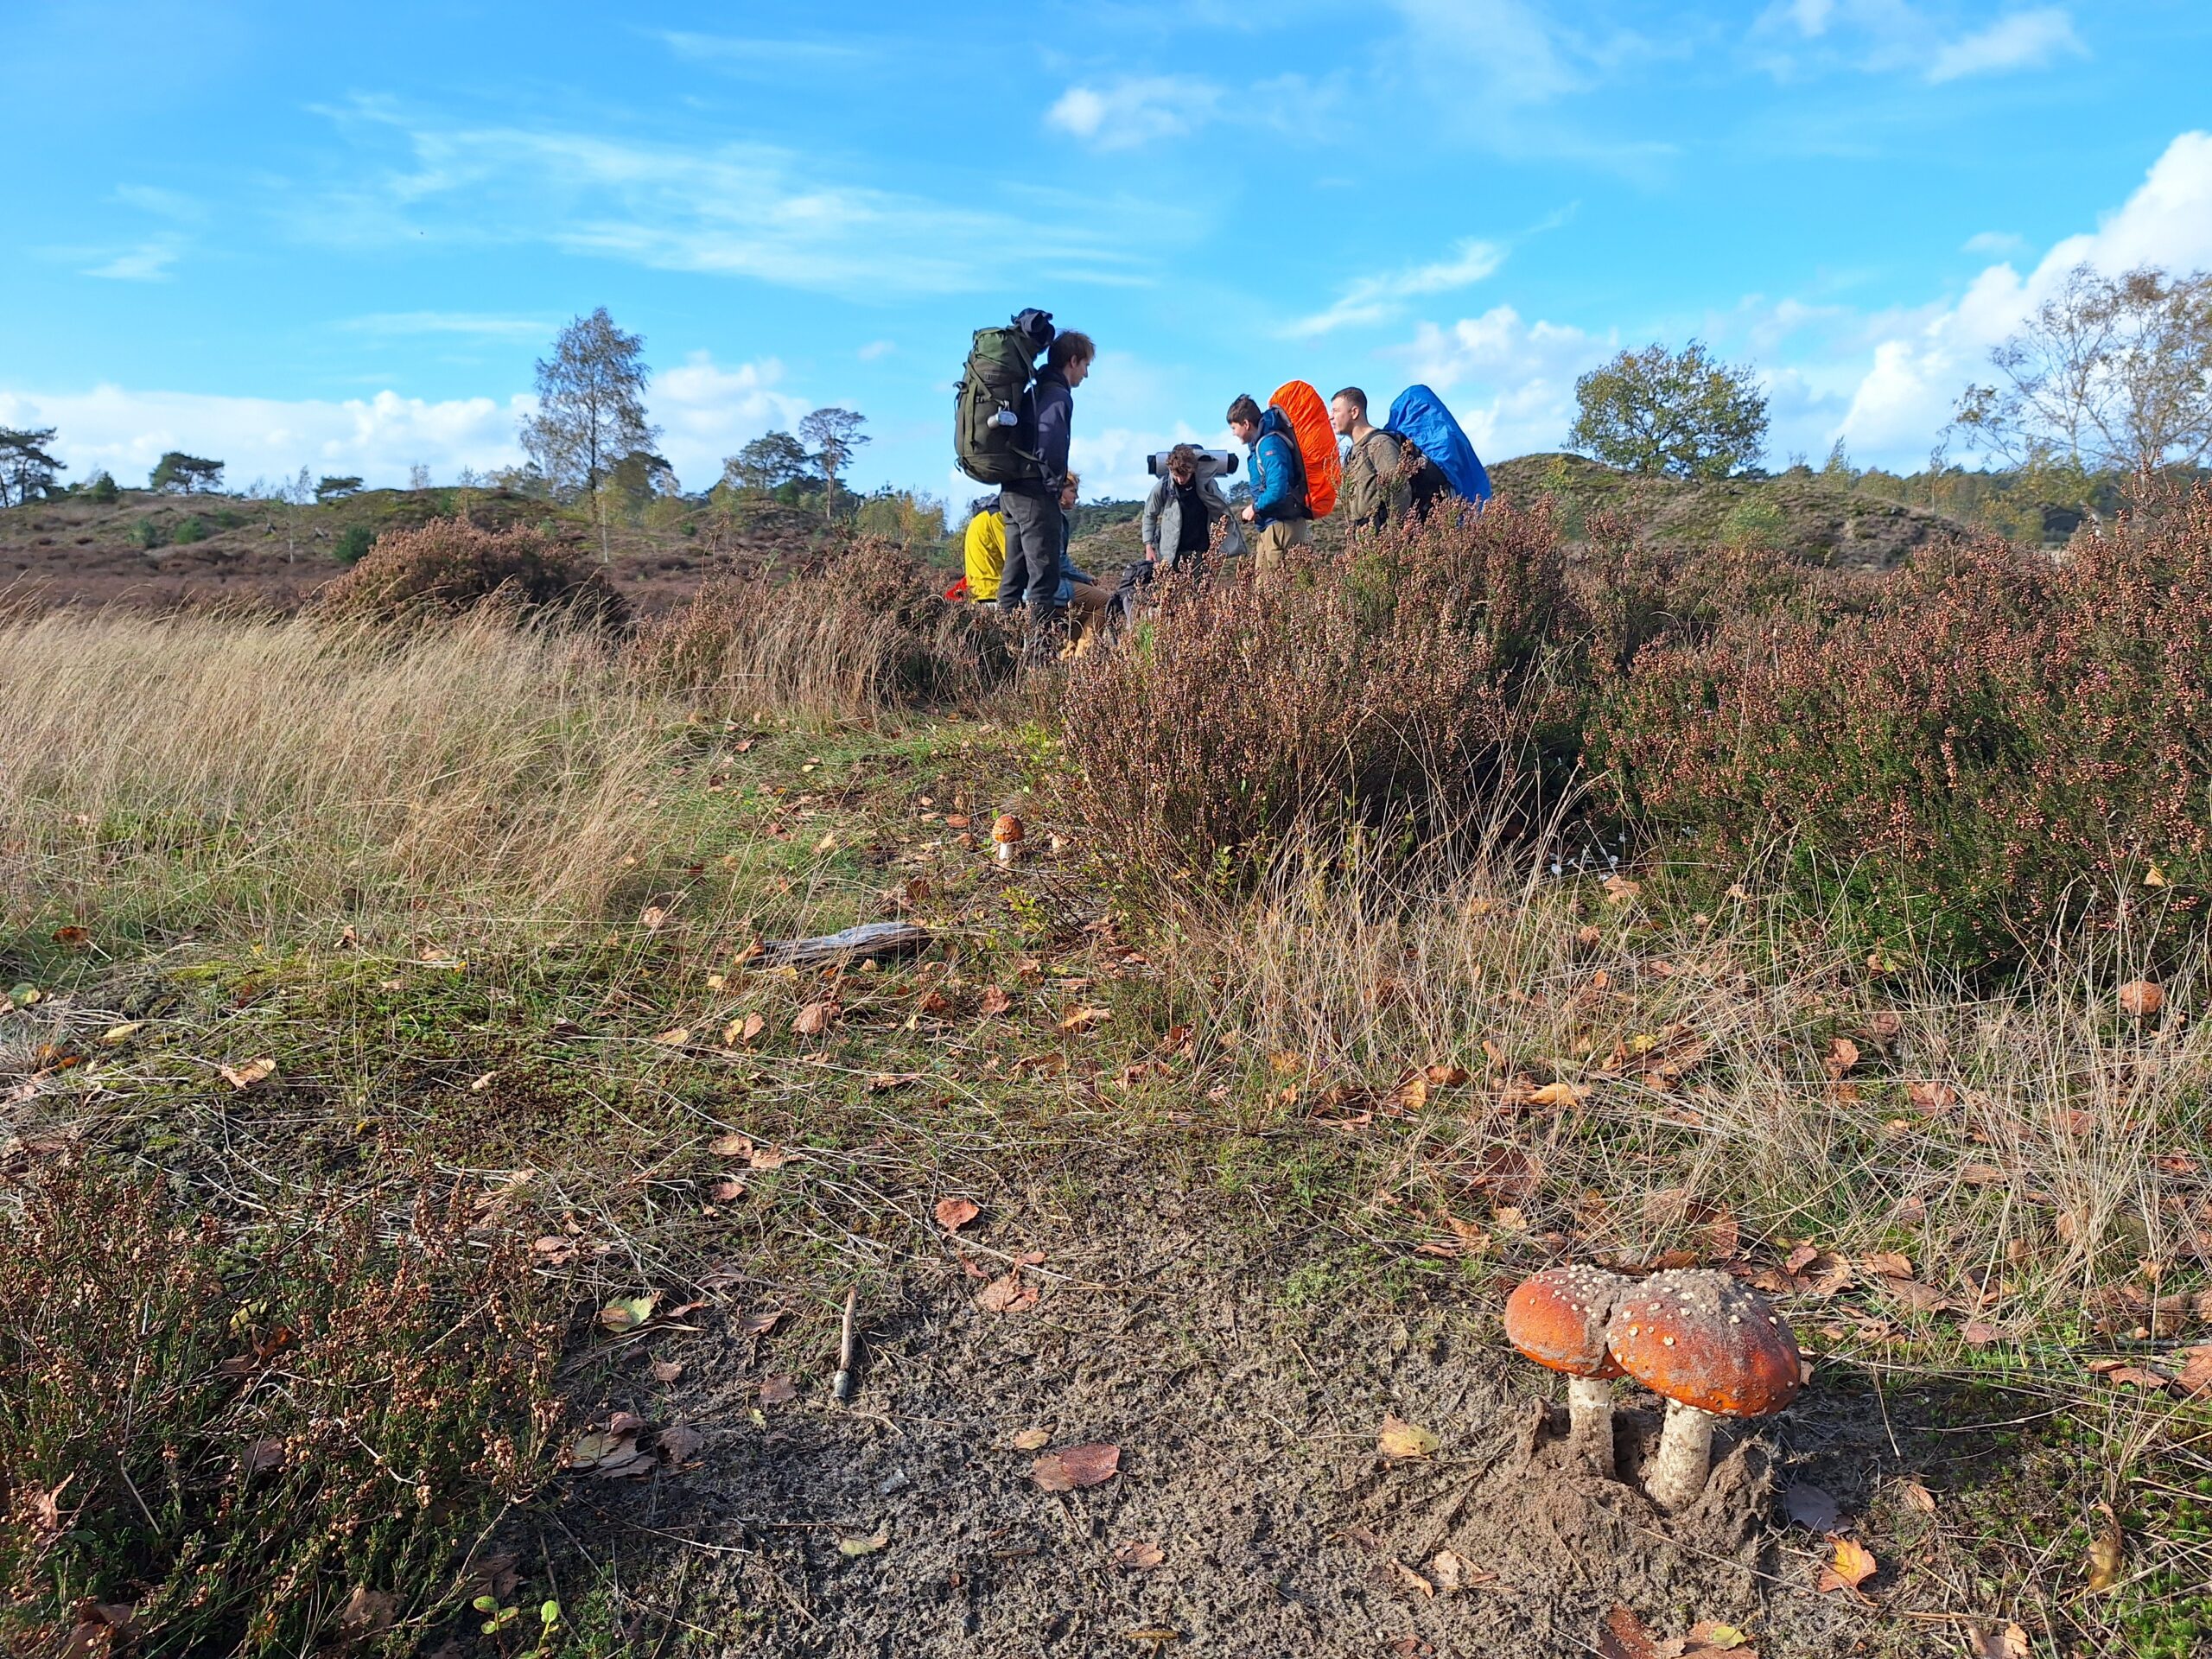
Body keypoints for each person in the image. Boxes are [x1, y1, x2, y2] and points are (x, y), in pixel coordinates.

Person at [997, 329, 1095, 641]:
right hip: (1035, 495)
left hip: (1011, 491)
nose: (1086, 374)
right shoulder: (1057, 394)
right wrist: (1052, 484)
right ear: (1073, 360)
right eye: (1085, 366)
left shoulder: (1035, 391)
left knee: (1013, 576)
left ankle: (1001, 651)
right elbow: (1050, 436)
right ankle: (1038, 660)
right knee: (1043, 579)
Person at [1226, 393, 1309, 572]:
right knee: (1266, 590)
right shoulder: (1265, 443)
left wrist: (1255, 508)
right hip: (1276, 525)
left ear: (1246, 424)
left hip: (1281, 528)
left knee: (1273, 591)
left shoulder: (1268, 445)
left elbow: (1277, 489)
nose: (1233, 433)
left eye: (1234, 427)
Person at [1140, 442, 1245, 579]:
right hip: (1170, 554)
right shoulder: (1164, 486)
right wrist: (1149, 546)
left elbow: (1222, 511)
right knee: (1170, 596)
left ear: (1193, 470)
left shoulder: (1206, 484)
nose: (1180, 480)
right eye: (1176, 475)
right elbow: (1149, 515)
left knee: (1200, 596)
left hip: (1200, 553)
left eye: (1184, 475)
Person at [1331, 386, 1410, 534]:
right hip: (1364, 536)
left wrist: (1392, 533)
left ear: (1354, 412)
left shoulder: (1380, 443)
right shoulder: (1353, 452)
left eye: (1336, 411)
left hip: (1382, 536)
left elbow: (1400, 489)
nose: (1331, 417)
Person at [1053, 472, 1113, 637]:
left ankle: (1070, 657)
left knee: (1081, 615)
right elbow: (1059, 561)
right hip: (1053, 586)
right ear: (1059, 491)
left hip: (1036, 585)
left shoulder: (1043, 513)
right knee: (1106, 603)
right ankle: (1085, 656)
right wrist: (1084, 578)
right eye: (1072, 491)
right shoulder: (1055, 517)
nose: (1077, 496)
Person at [956, 493, 1007, 602]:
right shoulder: (995, 517)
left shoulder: (978, 519)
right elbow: (1013, 555)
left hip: (977, 594)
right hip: (992, 593)